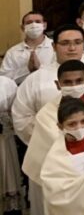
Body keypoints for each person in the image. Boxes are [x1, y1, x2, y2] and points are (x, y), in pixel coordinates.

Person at [21, 59, 84, 215]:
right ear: (58, 84)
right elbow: (41, 157)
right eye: (67, 82)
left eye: (79, 81)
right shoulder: (46, 114)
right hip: (65, 188)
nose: (74, 86)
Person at [12, 25, 84, 149]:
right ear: (54, 46)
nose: (72, 48)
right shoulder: (35, 79)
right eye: (65, 43)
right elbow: (22, 115)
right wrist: (54, 135)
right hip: (52, 148)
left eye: (78, 42)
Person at [0, 11, 54, 85]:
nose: (34, 25)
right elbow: (4, 79)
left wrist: (40, 68)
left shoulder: (55, 47)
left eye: (38, 22)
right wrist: (26, 70)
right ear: (22, 27)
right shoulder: (13, 52)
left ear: (44, 25)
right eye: (29, 22)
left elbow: (62, 72)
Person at [0, 74, 25, 214]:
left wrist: (5, 122)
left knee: (7, 176)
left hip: (3, 141)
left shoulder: (6, 84)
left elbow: (17, 113)